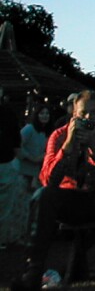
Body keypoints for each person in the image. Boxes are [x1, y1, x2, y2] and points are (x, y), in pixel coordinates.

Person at [12, 90, 95, 290]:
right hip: (69, 198)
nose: (88, 118)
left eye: (94, 113)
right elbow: (47, 179)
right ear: (74, 113)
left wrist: (94, 144)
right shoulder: (59, 135)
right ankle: (33, 271)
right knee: (43, 195)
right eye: (83, 113)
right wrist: (68, 146)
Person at [1, 86, 28, 250]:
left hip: (5, 162)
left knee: (5, 205)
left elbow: (15, 139)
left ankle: (2, 237)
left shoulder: (8, 113)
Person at [19, 104, 53, 189]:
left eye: (47, 113)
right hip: (22, 170)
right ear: (36, 115)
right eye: (42, 113)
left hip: (36, 173)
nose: (45, 116)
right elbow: (18, 145)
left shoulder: (48, 132)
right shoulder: (29, 129)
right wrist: (31, 158)